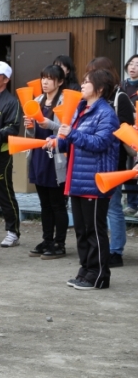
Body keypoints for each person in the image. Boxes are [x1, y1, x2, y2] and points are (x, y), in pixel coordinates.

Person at [54, 68, 119, 290]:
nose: (82, 85)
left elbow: (100, 143)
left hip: (95, 181)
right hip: (77, 179)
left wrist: (71, 134)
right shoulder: (80, 109)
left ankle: (99, 275)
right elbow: (71, 141)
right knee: (81, 230)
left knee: (94, 230)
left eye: (87, 82)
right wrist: (58, 140)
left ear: (99, 88)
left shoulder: (106, 113)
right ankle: (85, 270)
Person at [86, 57, 133, 268]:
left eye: (93, 74)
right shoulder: (91, 100)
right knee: (98, 208)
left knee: (113, 206)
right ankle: (101, 248)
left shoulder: (119, 97)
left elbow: (127, 131)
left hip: (114, 161)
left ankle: (115, 251)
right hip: (92, 159)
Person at [25, 65, 69, 259]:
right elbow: (31, 134)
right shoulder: (37, 101)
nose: (45, 82)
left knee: (57, 203)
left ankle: (60, 243)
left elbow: (67, 129)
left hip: (55, 155)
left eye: (50, 78)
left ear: (60, 82)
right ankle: (47, 240)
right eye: (43, 78)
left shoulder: (65, 101)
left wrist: (49, 124)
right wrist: (29, 126)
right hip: (39, 154)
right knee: (44, 203)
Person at [0, 62, 22, 248]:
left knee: (3, 193)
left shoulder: (11, 101)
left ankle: (13, 231)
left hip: (1, 154)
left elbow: (13, 128)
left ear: (6, 79)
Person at [121, 54, 138, 217]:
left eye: (137, 65)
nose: (133, 67)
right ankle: (132, 203)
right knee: (129, 166)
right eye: (131, 63)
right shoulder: (121, 86)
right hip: (126, 131)